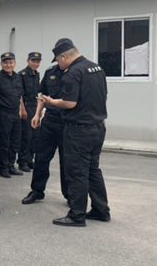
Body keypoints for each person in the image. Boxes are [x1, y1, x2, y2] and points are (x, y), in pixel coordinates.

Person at [41, 38, 110, 227]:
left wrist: (51, 102)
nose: (59, 65)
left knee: (77, 172)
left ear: (64, 56)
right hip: (97, 126)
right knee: (93, 170)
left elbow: (69, 103)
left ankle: (77, 215)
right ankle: (101, 210)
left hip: (78, 130)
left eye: (58, 60)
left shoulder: (73, 72)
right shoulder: (97, 68)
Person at [22, 60, 69, 205]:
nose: (59, 61)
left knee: (67, 161)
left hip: (67, 122)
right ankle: (37, 191)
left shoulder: (76, 72)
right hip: (50, 121)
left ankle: (70, 195)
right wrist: (37, 114)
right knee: (41, 157)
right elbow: (42, 95)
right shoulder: (51, 72)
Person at [0, 52, 25, 178]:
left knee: (15, 141)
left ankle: (11, 165)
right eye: (6, 62)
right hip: (4, 114)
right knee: (4, 142)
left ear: (15, 63)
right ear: (1, 64)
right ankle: (3, 167)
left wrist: (22, 109)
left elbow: (20, 95)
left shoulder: (18, 77)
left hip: (15, 113)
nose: (8, 65)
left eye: (11, 62)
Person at [17, 52, 42, 172]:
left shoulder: (36, 74)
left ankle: (29, 159)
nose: (35, 63)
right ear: (28, 61)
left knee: (35, 136)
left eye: (38, 61)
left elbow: (37, 94)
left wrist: (39, 111)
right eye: (33, 61)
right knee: (26, 136)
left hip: (34, 106)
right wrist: (22, 109)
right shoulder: (21, 74)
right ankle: (22, 161)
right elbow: (19, 94)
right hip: (26, 106)